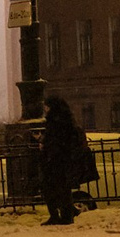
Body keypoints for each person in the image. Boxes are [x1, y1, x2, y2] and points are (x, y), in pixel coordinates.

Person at [40, 95, 98, 225]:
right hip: (62, 161)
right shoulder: (66, 120)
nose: (45, 108)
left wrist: (45, 146)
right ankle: (66, 213)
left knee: (53, 189)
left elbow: (56, 141)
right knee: (60, 189)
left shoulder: (56, 121)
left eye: (46, 106)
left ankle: (62, 216)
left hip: (57, 161)